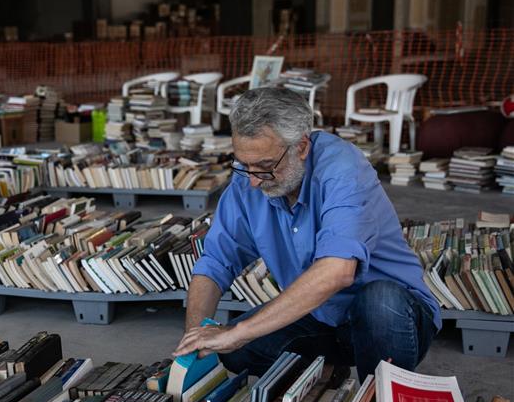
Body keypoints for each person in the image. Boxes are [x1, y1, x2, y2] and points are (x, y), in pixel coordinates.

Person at [173, 87, 440, 379]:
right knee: (232, 350)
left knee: (380, 300)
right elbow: (216, 262)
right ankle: (326, 373)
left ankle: (384, 401)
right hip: (320, 316)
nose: (252, 181)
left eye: (264, 167)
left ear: (301, 147)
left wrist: (239, 332)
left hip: (393, 318)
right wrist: (195, 339)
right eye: (244, 165)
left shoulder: (344, 170)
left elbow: (338, 271)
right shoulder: (250, 176)